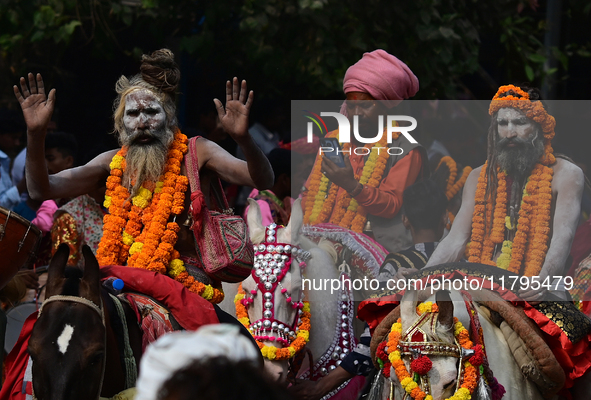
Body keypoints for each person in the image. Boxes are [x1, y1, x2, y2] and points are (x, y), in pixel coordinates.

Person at [14, 48, 273, 306]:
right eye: (133, 114)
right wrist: (36, 134)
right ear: (121, 122)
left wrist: (243, 140)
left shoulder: (197, 151)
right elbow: (42, 190)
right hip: (120, 281)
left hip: (185, 280)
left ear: (169, 116)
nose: (142, 122)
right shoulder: (112, 162)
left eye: (151, 112)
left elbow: (262, 180)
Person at [424, 85, 584, 301]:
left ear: (539, 126)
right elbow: (455, 240)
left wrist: (542, 280)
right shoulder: (479, 177)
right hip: (481, 283)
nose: (510, 133)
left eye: (520, 123)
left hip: (539, 288)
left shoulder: (567, 175)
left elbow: (563, 237)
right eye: (503, 123)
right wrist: (422, 277)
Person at [302, 49, 429, 253]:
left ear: (386, 107)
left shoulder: (407, 150)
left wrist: (351, 186)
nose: (356, 114)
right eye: (351, 107)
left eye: (365, 106)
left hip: (378, 255)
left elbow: (391, 205)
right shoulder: (334, 140)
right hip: (321, 246)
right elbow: (309, 195)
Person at [379, 179, 448, 279]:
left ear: (405, 220)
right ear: (445, 218)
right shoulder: (461, 264)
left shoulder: (395, 267)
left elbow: (378, 294)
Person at [243, 147, 292, 226]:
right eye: (300, 177)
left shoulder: (285, 200)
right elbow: (263, 237)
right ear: (284, 179)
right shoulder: (261, 206)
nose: (304, 182)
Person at [0, 109, 27, 210]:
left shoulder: (4, 160)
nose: (17, 143)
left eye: (19, 139)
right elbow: (2, 206)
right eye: (13, 137)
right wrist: (25, 181)